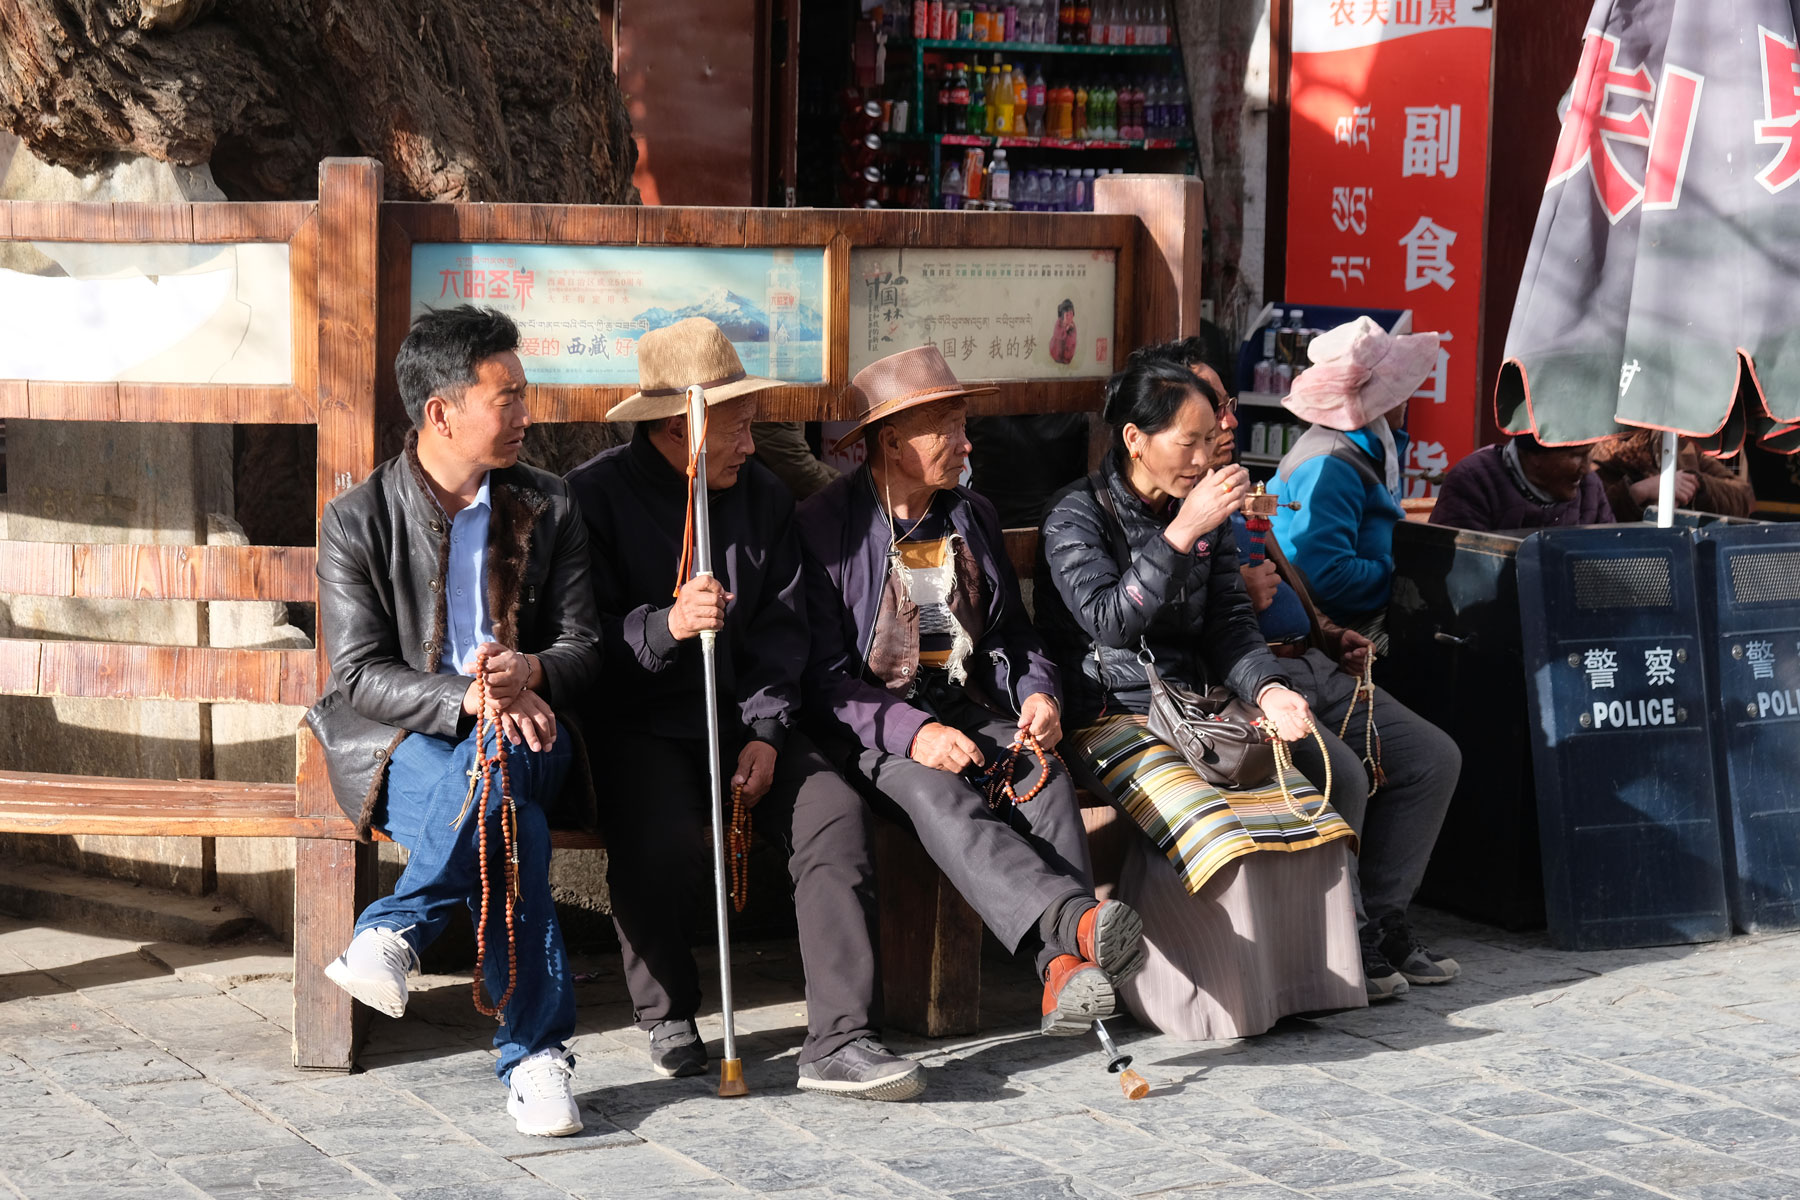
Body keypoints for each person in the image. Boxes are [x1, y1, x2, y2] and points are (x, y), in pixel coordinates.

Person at [566, 318, 920, 1100]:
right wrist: (666, 625)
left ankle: (840, 1037)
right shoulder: (594, 498)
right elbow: (581, 640)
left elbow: (783, 626)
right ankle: (665, 1012)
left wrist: (765, 728)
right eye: (735, 428)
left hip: (744, 714)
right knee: (658, 836)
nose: (751, 447)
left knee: (832, 809)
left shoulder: (761, 497)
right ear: (675, 426)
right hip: (643, 717)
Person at [308, 305, 602, 1137]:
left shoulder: (549, 504)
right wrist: (467, 698)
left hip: (533, 734)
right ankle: (538, 1058)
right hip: (407, 745)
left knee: (505, 769)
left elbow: (589, 645)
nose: (524, 415)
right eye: (505, 398)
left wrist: (532, 671)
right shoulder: (357, 519)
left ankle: (394, 931)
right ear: (442, 411)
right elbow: (359, 674)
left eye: (522, 395)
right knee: (514, 825)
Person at [797, 345, 1144, 1036]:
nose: (965, 443)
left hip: (958, 703)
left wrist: (1037, 695)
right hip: (868, 730)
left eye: (963, 425)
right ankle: (1071, 925)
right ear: (892, 443)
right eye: (947, 429)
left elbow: (1012, 635)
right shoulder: (825, 528)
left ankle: (1061, 972)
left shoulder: (968, 514)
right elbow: (819, 677)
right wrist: (913, 734)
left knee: (1038, 775)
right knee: (937, 789)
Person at [1035, 355, 1366, 1038]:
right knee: (1213, 821)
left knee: (1323, 792)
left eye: (1206, 442)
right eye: (1185, 442)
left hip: (1202, 705)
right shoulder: (1075, 514)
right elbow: (1107, 621)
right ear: (1135, 439)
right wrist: (1181, 532)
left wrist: (1270, 690)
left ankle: (1297, 982)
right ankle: (1187, 997)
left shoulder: (1203, 511)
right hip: (1110, 712)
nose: (1200, 457)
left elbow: (1230, 625)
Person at [1137, 342, 1465, 999]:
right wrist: (1249, 613)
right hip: (1241, 688)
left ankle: (1381, 922)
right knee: (1342, 771)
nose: (1226, 424)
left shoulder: (1238, 490)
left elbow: (1290, 570)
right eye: (1206, 414)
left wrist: (1321, 628)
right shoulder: (1162, 506)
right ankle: (1346, 937)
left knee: (1433, 757)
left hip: (1306, 659)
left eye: (1225, 408)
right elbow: (1162, 628)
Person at [1271, 317, 1442, 651]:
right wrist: (1400, 572)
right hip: (1335, 622)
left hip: (1364, 607)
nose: (1406, 397)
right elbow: (1329, 578)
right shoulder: (1330, 464)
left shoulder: (1363, 449)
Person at [1429, 434, 1614, 531]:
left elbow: (1611, 561)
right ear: (1535, 455)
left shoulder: (1589, 486)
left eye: (1589, 453)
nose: (1586, 469)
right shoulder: (1474, 481)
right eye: (1577, 456)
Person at [1588, 428, 1755, 523]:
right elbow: (1584, 519)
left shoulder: (1679, 443)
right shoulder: (1585, 454)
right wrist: (1638, 492)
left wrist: (1693, 482)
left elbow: (1744, 496)